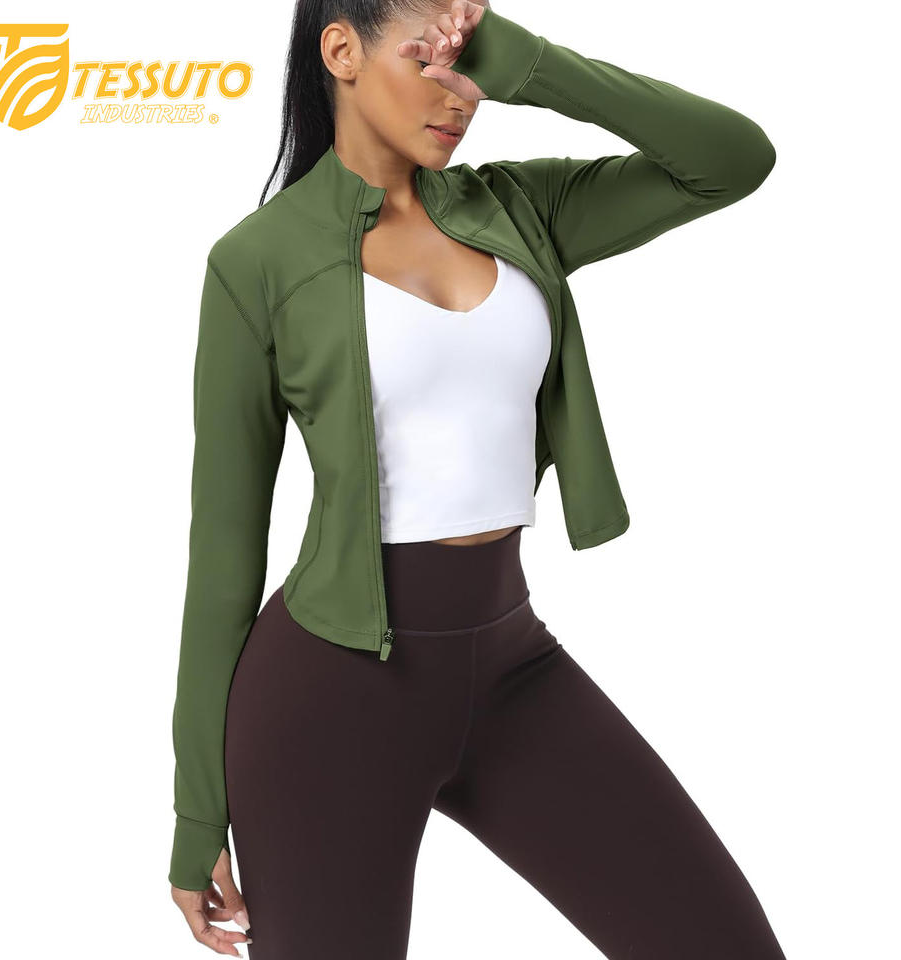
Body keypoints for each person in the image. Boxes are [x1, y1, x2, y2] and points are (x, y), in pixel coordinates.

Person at [168, 2, 784, 958]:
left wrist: (526, 60)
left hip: (511, 670)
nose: (463, 94)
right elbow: (222, 553)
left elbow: (732, 159)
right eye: (432, 58)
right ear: (341, 51)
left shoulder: (518, 208)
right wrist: (196, 812)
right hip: (329, 699)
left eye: (475, 65)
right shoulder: (256, 263)